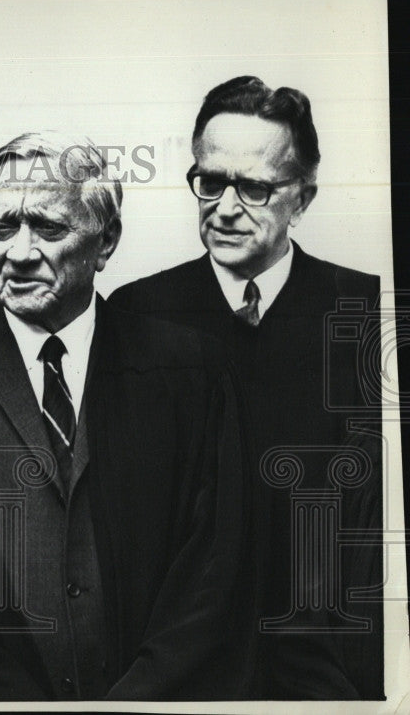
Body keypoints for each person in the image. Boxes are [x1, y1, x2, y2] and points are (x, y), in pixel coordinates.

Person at [109, 76, 383, 699]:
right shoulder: (135, 315)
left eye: (255, 187)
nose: (226, 207)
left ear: (304, 196)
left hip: (325, 673)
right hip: (174, 671)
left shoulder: (364, 313)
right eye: (210, 182)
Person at [0, 132, 255, 699]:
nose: (20, 252)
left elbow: (216, 573)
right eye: (2, 228)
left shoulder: (188, 373)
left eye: (49, 228)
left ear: (106, 242)